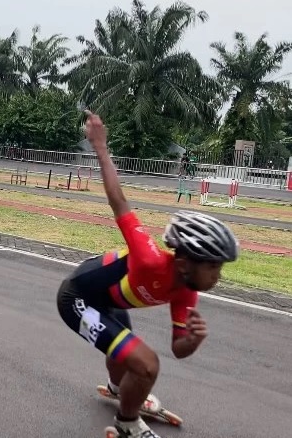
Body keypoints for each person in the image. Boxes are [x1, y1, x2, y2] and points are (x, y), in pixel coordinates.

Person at [56, 111, 239, 438]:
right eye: (212, 265)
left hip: (111, 303)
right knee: (146, 363)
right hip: (76, 298)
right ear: (184, 262)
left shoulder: (187, 290)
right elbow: (118, 200)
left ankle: (118, 388)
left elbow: (179, 348)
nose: (217, 275)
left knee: (127, 358)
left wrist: (193, 341)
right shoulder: (150, 257)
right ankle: (127, 423)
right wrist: (100, 146)